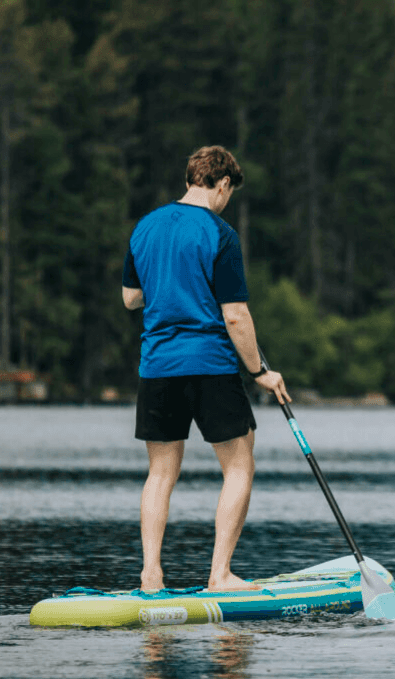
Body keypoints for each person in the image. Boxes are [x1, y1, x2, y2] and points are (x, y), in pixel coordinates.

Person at [122, 145, 290, 593]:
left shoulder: (145, 227)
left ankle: (151, 576)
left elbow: (130, 298)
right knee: (239, 465)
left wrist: (164, 285)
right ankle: (219, 576)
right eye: (229, 192)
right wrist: (259, 373)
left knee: (160, 472)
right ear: (222, 184)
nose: (227, 200)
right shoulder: (220, 233)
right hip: (209, 365)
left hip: (156, 365)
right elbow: (234, 314)